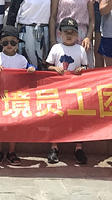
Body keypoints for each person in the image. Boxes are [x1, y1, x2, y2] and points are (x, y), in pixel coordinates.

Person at [0, 25, 36, 165]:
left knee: (14, 125)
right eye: (5, 42)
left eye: (12, 42)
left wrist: (32, 68)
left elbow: (32, 68)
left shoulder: (22, 59)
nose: (9, 45)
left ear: (17, 43)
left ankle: (11, 151)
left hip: (15, 96)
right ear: (0, 42)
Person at [45, 17, 88, 165]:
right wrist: (55, 69)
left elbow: (86, 67)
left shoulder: (80, 49)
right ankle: (54, 147)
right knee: (56, 117)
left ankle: (78, 147)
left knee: (77, 118)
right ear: (60, 33)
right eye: (66, 32)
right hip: (58, 89)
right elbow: (48, 66)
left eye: (72, 32)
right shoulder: (56, 48)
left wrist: (81, 69)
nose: (69, 35)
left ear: (77, 34)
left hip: (76, 90)